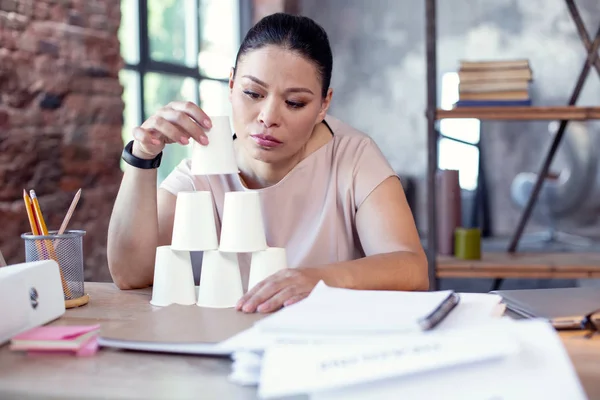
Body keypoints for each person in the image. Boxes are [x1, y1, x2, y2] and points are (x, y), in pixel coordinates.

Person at [107, 12, 428, 314]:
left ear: (323, 104)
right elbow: (130, 275)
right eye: (252, 93)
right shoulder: (202, 172)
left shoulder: (354, 158)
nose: (269, 117)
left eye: (294, 102)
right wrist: (142, 157)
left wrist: (317, 280)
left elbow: (412, 269)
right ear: (231, 85)